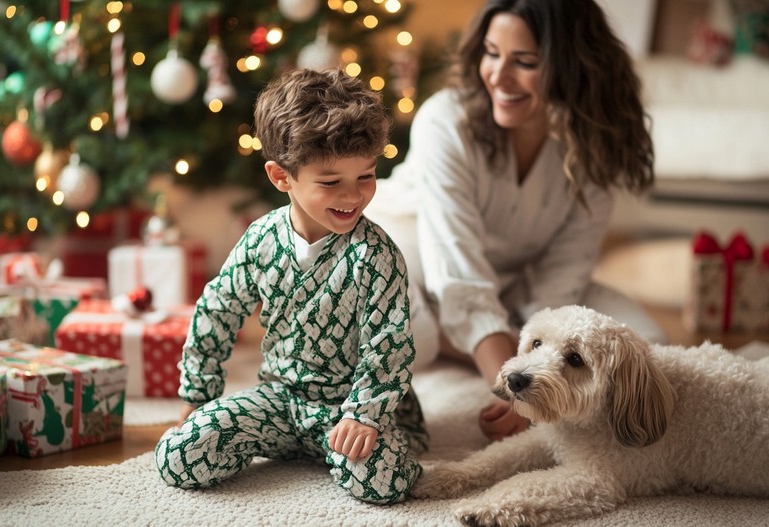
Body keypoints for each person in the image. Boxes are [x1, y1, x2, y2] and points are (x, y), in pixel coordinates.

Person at [366, 0, 667, 442]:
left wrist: (534, 361)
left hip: (507, 283)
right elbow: (461, 279)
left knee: (650, 342)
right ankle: (459, 339)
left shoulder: (594, 145)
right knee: (413, 336)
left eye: (524, 62)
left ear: (573, 67)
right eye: (491, 53)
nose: (498, 76)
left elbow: (562, 278)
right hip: (404, 265)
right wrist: (514, 390)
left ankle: (474, 338)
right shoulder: (445, 120)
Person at [155, 68, 427, 504]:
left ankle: (377, 437)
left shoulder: (377, 255)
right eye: (331, 182)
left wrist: (365, 415)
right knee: (179, 457)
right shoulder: (261, 240)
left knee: (385, 484)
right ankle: (295, 446)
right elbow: (218, 309)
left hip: (349, 409)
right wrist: (198, 392)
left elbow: (389, 343)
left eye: (366, 176)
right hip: (279, 401)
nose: (353, 196)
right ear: (282, 178)